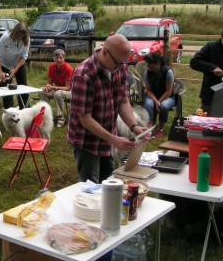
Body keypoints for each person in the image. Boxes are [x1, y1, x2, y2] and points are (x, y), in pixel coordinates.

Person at [67, 34, 146, 184]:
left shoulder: (120, 67)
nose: (120, 67)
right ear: (104, 52)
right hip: (86, 141)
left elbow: (122, 100)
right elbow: (85, 119)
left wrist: (134, 126)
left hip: (108, 138)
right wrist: (114, 139)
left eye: (123, 63)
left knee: (108, 182)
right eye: (117, 63)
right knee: (90, 187)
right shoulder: (83, 75)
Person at [0, 22, 30, 109]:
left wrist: (15, 70)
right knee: (6, 89)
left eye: (22, 36)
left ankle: (24, 109)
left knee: (24, 87)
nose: (19, 38)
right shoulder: (5, 37)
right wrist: (0, 72)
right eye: (18, 35)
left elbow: (24, 56)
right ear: (14, 32)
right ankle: (9, 111)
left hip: (18, 64)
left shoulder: (27, 39)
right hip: (5, 64)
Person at [142, 52, 175, 138]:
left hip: (167, 96)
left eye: (150, 63)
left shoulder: (168, 72)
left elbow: (168, 91)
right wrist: (156, 101)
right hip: (153, 95)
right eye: (147, 63)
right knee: (148, 104)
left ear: (157, 63)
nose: (148, 65)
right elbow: (148, 90)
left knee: (163, 106)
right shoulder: (147, 73)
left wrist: (159, 102)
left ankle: (160, 128)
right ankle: (150, 126)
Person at [190, 32, 223, 114]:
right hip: (211, 94)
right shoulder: (210, 47)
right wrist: (213, 68)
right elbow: (194, 62)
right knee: (209, 120)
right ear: (222, 37)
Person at [39, 48, 73, 128]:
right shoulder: (51, 67)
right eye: (57, 58)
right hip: (58, 89)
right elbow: (49, 82)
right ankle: (46, 115)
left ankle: (60, 118)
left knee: (58, 94)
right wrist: (47, 86)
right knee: (42, 91)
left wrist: (54, 87)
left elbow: (68, 88)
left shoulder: (68, 68)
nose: (59, 60)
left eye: (61, 58)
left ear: (64, 58)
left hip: (70, 91)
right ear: (53, 58)